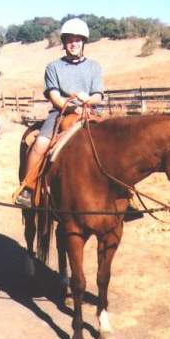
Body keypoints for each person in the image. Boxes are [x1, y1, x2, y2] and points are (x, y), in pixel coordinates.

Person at [15, 18, 104, 206]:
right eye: (70, 40)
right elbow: (55, 97)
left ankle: (124, 194)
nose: (74, 44)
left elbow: (98, 96)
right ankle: (28, 190)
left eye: (78, 40)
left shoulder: (94, 66)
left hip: (90, 112)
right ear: (64, 43)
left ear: (83, 42)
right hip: (60, 113)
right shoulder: (53, 67)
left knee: (115, 141)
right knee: (40, 143)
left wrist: (88, 100)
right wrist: (73, 106)